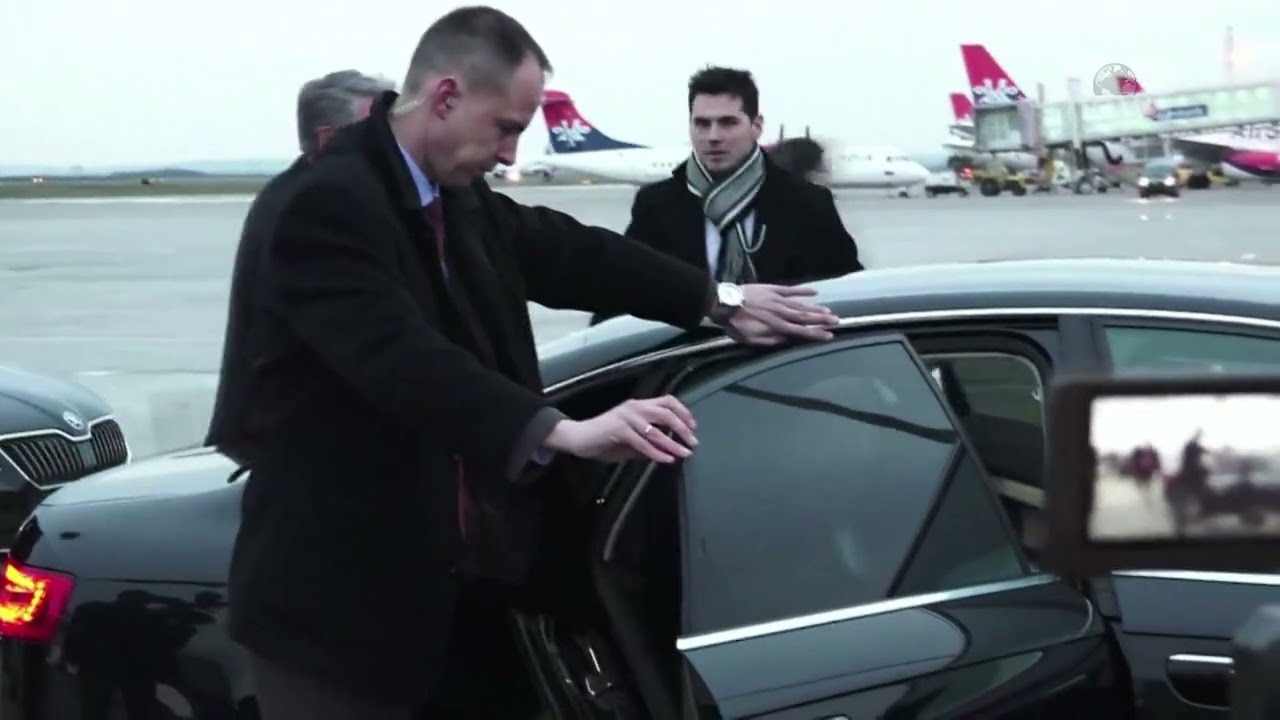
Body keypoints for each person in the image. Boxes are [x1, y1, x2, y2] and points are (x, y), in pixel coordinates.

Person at [225, 7, 840, 719]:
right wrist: (560, 430)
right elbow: (399, 357)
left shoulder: (452, 194)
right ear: (446, 98)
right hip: (337, 619)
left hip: (454, 595)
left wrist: (718, 299)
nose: (511, 154)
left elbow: (568, 252)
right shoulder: (325, 204)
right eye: (506, 128)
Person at [205, 69, 393, 465]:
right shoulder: (311, 210)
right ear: (328, 139)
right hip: (304, 455)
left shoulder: (291, 191)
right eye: (377, 131)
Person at [589, 66, 862, 326]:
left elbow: (848, 291)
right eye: (702, 124)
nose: (713, 136)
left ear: (756, 126)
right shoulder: (657, 205)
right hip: (686, 354)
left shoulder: (807, 203)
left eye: (728, 123)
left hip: (784, 351)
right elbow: (623, 291)